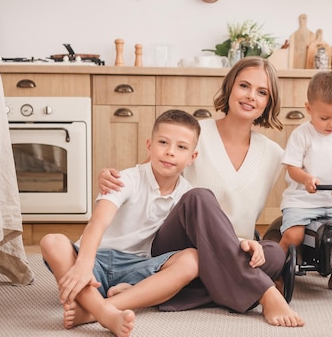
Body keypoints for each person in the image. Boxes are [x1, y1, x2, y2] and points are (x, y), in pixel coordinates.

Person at [98, 56, 284, 263]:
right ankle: (257, 291)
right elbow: (147, 175)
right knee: (200, 199)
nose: (251, 96)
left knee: (275, 255)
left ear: (269, 101)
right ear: (230, 87)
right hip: (182, 248)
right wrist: (112, 179)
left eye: (262, 92)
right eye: (244, 86)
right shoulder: (193, 134)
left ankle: (168, 290)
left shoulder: (274, 154)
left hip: (238, 248)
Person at [40, 109, 201, 337]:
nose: (169, 152)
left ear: (192, 157)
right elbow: (98, 222)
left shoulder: (187, 195)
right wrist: (85, 263)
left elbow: (210, 231)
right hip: (95, 261)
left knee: (192, 259)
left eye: (181, 147)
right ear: (149, 145)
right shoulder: (126, 179)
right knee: (51, 241)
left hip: (138, 268)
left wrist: (244, 242)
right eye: (163, 142)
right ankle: (105, 314)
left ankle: (91, 310)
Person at [278, 71, 332, 293]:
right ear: (309, 109)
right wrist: (307, 179)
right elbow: (292, 167)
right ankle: (275, 274)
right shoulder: (301, 135)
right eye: (324, 118)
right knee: (293, 235)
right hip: (302, 201)